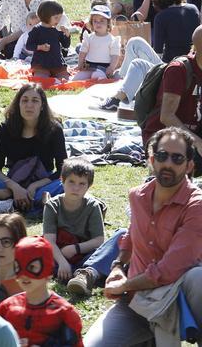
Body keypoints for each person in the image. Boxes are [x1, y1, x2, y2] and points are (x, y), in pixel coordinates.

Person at [78, 127, 202, 345]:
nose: (168, 164)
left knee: (198, 278)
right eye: (162, 156)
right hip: (138, 301)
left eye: (177, 158)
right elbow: (130, 235)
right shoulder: (138, 195)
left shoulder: (196, 205)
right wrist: (117, 266)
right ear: (152, 159)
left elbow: (170, 268)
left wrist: (125, 286)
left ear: (189, 165)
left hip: (178, 299)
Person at [0, 84, 67, 214]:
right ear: (18, 104)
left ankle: (11, 205)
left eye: (35, 101)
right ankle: (35, 206)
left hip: (43, 183)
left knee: (66, 186)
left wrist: (34, 186)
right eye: (25, 100)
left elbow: (63, 169)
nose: (29, 105)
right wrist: (14, 187)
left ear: (42, 105)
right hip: (13, 181)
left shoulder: (54, 129)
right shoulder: (6, 129)